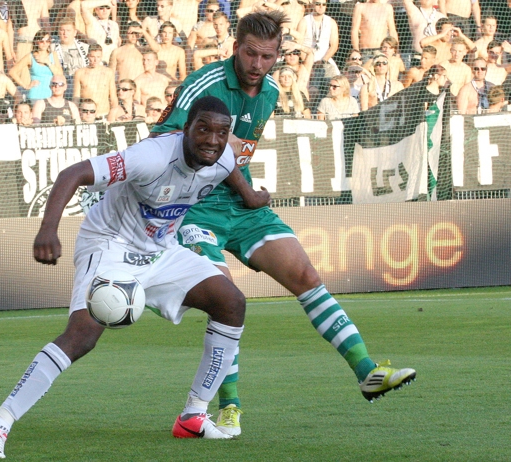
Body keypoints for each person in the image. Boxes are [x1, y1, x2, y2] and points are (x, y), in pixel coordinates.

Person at [152, 9, 416, 437]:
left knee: (305, 274)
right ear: (236, 48)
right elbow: (161, 136)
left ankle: (367, 371)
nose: (258, 64)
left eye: (268, 56)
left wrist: (242, 185)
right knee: (226, 297)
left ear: (278, 55)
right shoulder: (204, 84)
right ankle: (229, 406)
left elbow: (237, 156)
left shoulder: (271, 91)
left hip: (241, 202)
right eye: (251, 54)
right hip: (195, 205)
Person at [0, 96, 246, 458]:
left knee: (231, 303)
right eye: (203, 129)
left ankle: (193, 416)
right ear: (186, 129)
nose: (212, 139)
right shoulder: (152, 156)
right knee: (83, 335)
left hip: (160, 250)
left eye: (221, 132)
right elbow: (74, 173)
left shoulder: (222, 156)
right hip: (108, 245)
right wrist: (48, 230)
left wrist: (251, 195)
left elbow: (229, 170)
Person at [9, 29, 63, 104]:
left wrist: (47, 62)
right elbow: (12, 72)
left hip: (50, 95)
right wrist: (25, 86)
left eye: (47, 41)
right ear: (36, 42)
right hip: (35, 95)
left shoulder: (53, 55)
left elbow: (60, 75)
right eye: (41, 41)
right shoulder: (30, 57)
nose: (44, 43)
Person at [296, 0, 340, 91]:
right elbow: (298, 45)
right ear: (312, 4)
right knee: (306, 87)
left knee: (337, 82)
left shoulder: (331, 22)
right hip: (307, 59)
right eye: (318, 4)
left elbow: (334, 46)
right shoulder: (304, 21)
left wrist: (323, 61)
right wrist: (307, 62)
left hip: (325, 60)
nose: (321, 6)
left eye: (323, 4)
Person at [73, 43, 118, 119]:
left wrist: (113, 115)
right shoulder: (80, 73)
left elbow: (113, 97)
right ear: (88, 56)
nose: (95, 60)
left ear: (101, 57)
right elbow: (76, 98)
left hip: (104, 114)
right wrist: (76, 117)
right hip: (87, 115)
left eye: (98, 57)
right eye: (92, 56)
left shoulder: (108, 72)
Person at [52, 19, 90, 100]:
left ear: (75, 32)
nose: (65, 33)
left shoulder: (86, 48)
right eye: (62, 30)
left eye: (68, 30)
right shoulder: (52, 48)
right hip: (62, 89)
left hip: (82, 89)